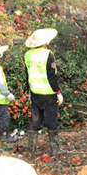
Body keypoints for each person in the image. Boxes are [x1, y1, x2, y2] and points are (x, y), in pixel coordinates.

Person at [24, 28, 63, 156]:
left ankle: (31, 151)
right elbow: (51, 76)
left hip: (35, 93)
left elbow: (27, 75)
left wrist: (28, 92)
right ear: (45, 42)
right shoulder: (48, 54)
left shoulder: (27, 55)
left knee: (35, 121)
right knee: (51, 121)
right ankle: (55, 149)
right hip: (48, 93)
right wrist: (58, 92)